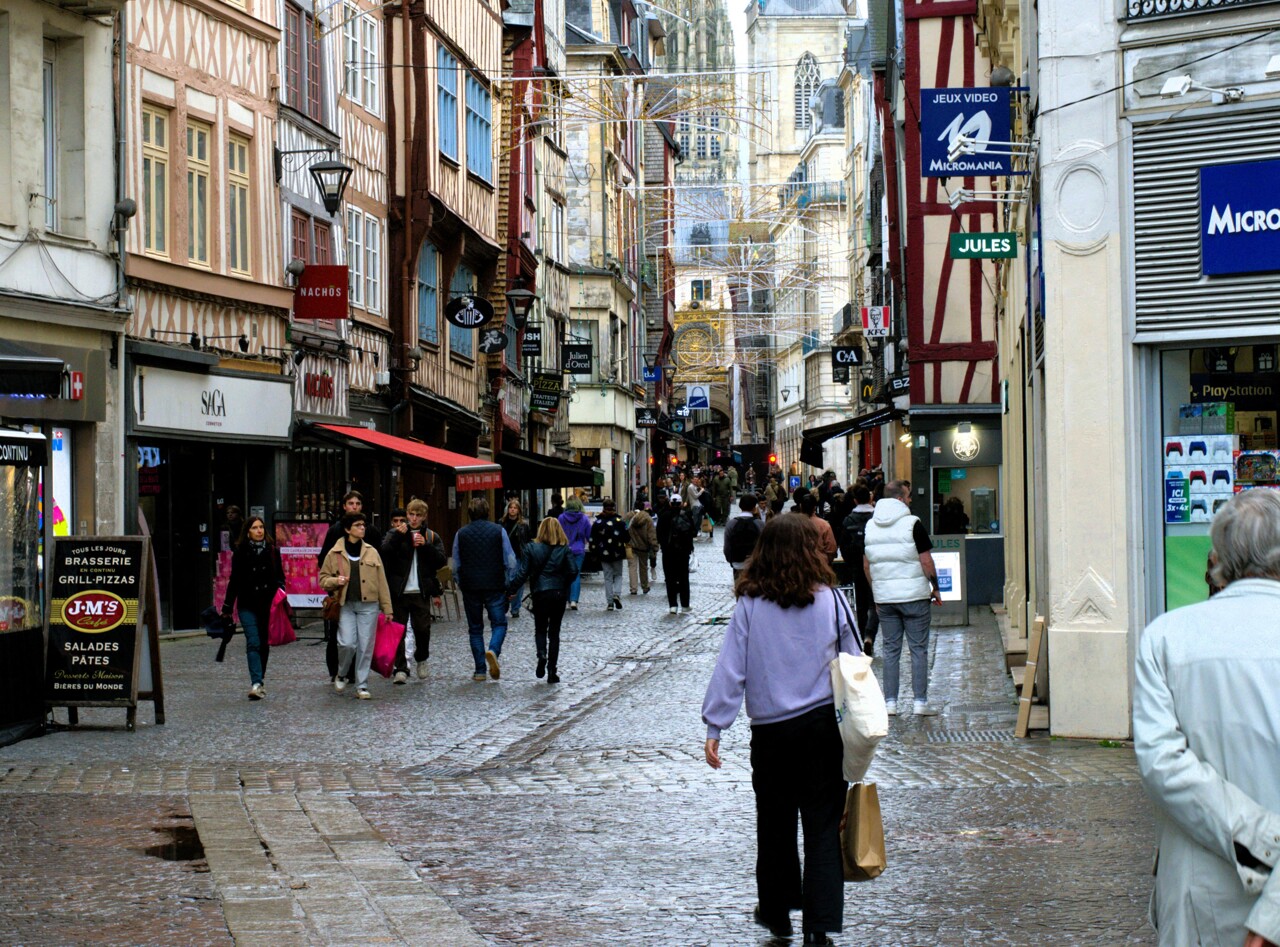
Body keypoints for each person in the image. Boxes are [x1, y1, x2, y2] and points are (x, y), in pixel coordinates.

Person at [702, 514, 860, 947]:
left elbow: (731, 668)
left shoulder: (750, 604)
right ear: (811, 550)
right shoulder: (831, 600)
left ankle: (777, 912)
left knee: (774, 826)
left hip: (772, 733)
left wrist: (716, 725)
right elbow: (855, 660)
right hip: (821, 729)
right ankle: (820, 924)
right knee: (823, 828)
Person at [1134, 489, 1280, 947]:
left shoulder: (1167, 638)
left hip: (1200, 898)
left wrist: (1263, 840)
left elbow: (1164, 766)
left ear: (1217, 557)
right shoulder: (1166, 640)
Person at [863, 479, 942, 716]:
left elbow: (867, 565)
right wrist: (935, 587)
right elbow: (925, 560)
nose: (910, 500)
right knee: (918, 649)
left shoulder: (870, 526)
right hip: (914, 597)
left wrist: (877, 592)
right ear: (899, 498)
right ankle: (920, 703)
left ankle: (891, 704)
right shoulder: (913, 524)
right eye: (908, 496)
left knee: (890, 650)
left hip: (885, 599)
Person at [319, 512, 393, 700]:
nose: (363, 528)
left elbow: (381, 580)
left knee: (365, 645)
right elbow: (322, 579)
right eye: (358, 525)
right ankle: (342, 672)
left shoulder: (371, 551)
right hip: (346, 604)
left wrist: (387, 608)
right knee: (347, 643)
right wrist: (336, 580)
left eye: (363, 525)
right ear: (347, 529)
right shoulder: (335, 552)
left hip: (369, 604)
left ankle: (362, 684)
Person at [317, 491, 383, 683]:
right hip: (341, 592)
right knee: (338, 634)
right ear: (344, 506)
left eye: (357, 503)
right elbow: (324, 561)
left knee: (362, 637)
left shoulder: (370, 532)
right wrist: (333, 584)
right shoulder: (335, 531)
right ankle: (336, 670)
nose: (354, 506)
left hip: (365, 594)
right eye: (350, 503)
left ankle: (356, 674)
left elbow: (380, 562)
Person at [506, 517, 579, 684]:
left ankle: (541, 654)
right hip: (559, 594)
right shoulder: (564, 549)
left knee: (540, 629)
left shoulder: (532, 548)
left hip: (540, 593)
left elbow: (522, 573)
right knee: (554, 633)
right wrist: (563, 584)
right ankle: (552, 671)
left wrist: (510, 589)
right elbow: (573, 571)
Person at [453, 496, 518, 681]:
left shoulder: (461, 533)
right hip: (494, 584)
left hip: (471, 585)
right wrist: (509, 583)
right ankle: (493, 650)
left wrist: (460, 582)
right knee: (499, 623)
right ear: (487, 512)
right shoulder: (499, 531)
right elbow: (511, 561)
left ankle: (480, 670)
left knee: (475, 629)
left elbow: (456, 564)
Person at [381, 501, 446, 684]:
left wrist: (425, 546)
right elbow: (384, 552)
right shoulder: (396, 533)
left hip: (420, 590)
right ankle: (401, 668)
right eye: (411, 514)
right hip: (400, 590)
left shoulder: (431, 536)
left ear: (424, 517)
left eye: (418, 515)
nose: (414, 518)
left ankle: (421, 657)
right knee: (398, 630)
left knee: (422, 629)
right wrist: (397, 538)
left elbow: (441, 560)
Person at [220, 515, 285, 700]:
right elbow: (235, 579)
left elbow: (280, 576)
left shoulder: (272, 551)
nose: (259, 531)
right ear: (248, 531)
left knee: (263, 643)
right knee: (253, 641)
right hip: (247, 603)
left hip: (267, 604)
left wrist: (281, 590)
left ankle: (260, 679)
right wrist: (227, 606)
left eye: (261, 527)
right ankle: (256, 683)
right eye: (255, 528)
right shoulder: (241, 551)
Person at [839, 485, 879, 655]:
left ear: (855, 500)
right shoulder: (876, 518)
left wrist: (851, 563)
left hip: (857, 566)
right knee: (876, 602)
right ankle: (870, 635)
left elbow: (844, 545)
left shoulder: (849, 520)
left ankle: (863, 636)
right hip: (877, 565)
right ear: (870, 499)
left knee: (861, 604)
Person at [658, 494, 696, 614]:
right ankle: (685, 604)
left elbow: (658, 533)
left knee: (670, 578)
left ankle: (673, 605)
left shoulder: (663, 516)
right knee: (684, 578)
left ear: (670, 503)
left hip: (668, 552)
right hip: (683, 552)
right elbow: (693, 532)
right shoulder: (687, 516)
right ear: (681, 504)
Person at [558, 496, 593, 611]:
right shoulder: (584, 518)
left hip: (564, 550)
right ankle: (573, 600)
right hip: (578, 550)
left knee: (565, 575)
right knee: (575, 574)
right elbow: (589, 535)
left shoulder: (561, 518)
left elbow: (557, 534)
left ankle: (566, 598)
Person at [500, 499, 532, 619]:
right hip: (505, 558)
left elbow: (527, 542)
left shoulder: (523, 525)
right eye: (511, 507)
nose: (512, 509)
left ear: (518, 510)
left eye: (515, 508)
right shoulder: (501, 524)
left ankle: (515, 608)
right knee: (506, 582)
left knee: (518, 583)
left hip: (519, 557)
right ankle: (505, 604)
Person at [723, 493, 765, 581]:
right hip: (754, 563)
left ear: (740, 506)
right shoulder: (759, 524)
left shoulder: (731, 523)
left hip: (737, 562)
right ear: (754, 507)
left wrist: (730, 559)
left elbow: (727, 546)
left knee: (739, 589)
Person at [794, 494, 838, 563]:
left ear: (800, 506)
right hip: (820, 565)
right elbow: (831, 549)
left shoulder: (794, 525)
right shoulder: (824, 525)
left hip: (799, 566)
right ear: (814, 507)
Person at [627, 503, 658, 595]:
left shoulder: (631, 517)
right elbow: (651, 535)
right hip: (643, 547)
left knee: (632, 567)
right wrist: (655, 547)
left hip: (631, 546)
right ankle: (645, 586)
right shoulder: (648, 519)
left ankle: (633, 588)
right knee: (643, 567)